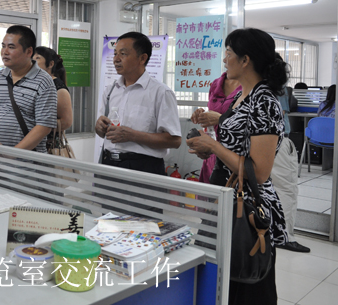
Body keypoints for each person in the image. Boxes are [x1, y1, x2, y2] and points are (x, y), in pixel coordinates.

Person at [187, 28, 288, 305]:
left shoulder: (264, 101)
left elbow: (260, 171)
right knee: (220, 281)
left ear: (245, 60)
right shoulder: (245, 95)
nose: (224, 60)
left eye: (229, 54)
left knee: (247, 282)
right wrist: (211, 139)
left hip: (248, 206)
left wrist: (213, 146)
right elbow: (239, 143)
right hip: (227, 197)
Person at [95, 32, 181, 174]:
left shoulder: (160, 92)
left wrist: (132, 135)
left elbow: (174, 140)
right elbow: (102, 132)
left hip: (143, 167)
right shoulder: (110, 90)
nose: (116, 59)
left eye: (123, 54)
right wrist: (99, 127)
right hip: (109, 164)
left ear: (142, 58)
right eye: (115, 53)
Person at [190, 72, 241, 183]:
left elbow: (251, 124)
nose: (225, 62)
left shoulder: (253, 88)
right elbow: (214, 115)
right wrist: (203, 115)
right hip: (213, 158)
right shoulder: (216, 84)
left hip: (235, 160)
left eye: (230, 55)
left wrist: (221, 119)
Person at [34, 46, 73, 142]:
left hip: (48, 144)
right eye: (31, 57)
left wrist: (38, 125)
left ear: (50, 64)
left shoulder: (58, 87)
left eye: (37, 58)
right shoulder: (31, 83)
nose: (32, 61)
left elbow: (66, 122)